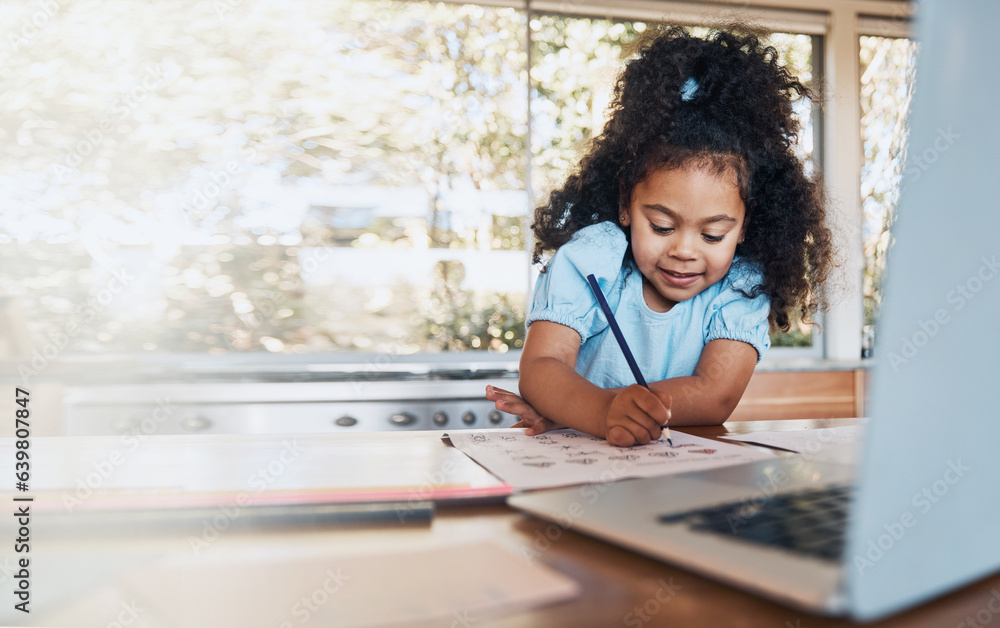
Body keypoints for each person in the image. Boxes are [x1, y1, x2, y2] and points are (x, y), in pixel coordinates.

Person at [485, 26, 834, 447]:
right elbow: (542, 365)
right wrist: (594, 414)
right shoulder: (593, 260)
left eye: (713, 234)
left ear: (744, 229)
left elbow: (715, 395)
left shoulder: (741, 285)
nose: (684, 250)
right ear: (625, 206)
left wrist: (576, 410)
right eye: (662, 227)